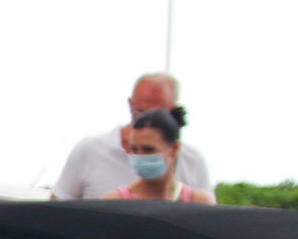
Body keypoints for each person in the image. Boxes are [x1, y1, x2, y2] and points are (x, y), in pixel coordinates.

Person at [52, 72, 212, 199]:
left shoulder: (193, 162)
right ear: (130, 105)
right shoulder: (89, 150)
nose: (149, 121)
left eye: (159, 115)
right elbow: (58, 211)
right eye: (140, 112)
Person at [103, 108, 214, 203]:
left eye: (149, 150)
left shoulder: (198, 202)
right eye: (134, 149)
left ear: (174, 149)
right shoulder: (116, 201)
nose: (140, 156)